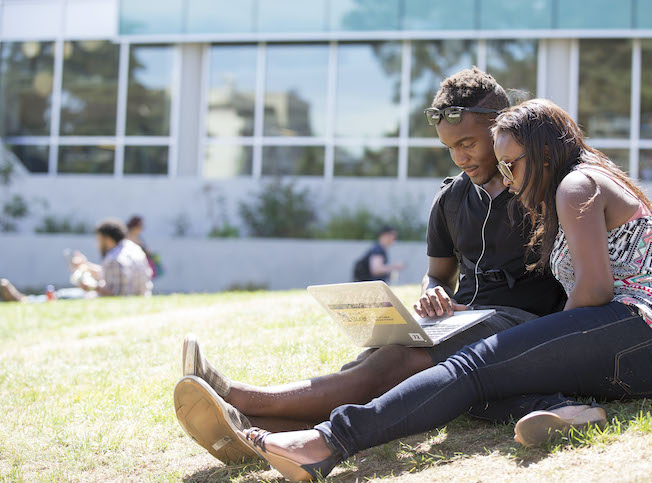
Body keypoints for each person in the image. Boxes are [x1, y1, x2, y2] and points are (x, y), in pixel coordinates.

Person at [230, 99, 652, 481]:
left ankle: (325, 443)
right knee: (479, 382)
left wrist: (530, 346)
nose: (508, 177)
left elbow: (595, 288)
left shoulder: (575, 186)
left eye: (512, 164)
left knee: (474, 365)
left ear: (543, 152)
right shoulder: (572, 186)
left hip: (648, 328)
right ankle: (565, 410)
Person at [173, 68, 569, 465]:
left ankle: (237, 397)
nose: (460, 157)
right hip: (460, 321)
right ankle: (254, 428)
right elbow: (438, 273)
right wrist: (432, 291)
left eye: (468, 143)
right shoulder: (451, 199)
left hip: (520, 326)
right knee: (379, 356)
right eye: (450, 147)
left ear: (501, 128)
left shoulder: (540, 189)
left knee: (396, 362)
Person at [1, 218, 153, 302]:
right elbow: (114, 276)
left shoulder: (115, 259)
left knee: (65, 295)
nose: (97, 244)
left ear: (107, 239)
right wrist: (86, 266)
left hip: (124, 299)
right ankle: (27, 299)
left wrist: (92, 287)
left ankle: (25, 300)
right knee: (69, 294)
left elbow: (117, 295)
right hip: (142, 296)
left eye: (98, 240)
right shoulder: (130, 249)